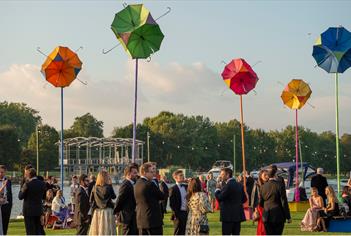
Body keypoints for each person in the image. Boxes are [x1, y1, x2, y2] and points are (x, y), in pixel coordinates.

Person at [259, 166, 291, 235]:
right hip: (278, 215)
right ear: (275, 174)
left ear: (268, 175)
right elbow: (284, 202)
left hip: (267, 215)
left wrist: (266, 206)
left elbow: (260, 202)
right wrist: (288, 216)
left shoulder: (262, 187)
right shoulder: (280, 185)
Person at [134, 162, 165, 235]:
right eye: (151, 172)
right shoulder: (150, 184)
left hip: (141, 220)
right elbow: (162, 196)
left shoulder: (137, 184)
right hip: (153, 221)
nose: (153, 174)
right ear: (144, 173)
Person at [215, 167, 247, 235]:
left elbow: (220, 197)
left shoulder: (228, 185)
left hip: (228, 216)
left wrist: (217, 190)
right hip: (237, 215)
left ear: (228, 175)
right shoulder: (239, 185)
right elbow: (244, 199)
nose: (221, 176)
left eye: (222, 174)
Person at [18, 168, 46, 235]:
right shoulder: (42, 184)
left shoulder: (27, 184)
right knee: (38, 230)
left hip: (28, 211)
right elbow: (44, 197)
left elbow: (20, 197)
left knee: (30, 231)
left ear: (29, 175)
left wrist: (22, 188)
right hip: (38, 210)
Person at [88, 170, 117, 235]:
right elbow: (114, 197)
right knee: (108, 231)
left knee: (98, 231)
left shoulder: (94, 187)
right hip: (108, 211)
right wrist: (111, 185)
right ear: (106, 178)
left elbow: (91, 200)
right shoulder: (108, 187)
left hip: (97, 211)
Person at [114, 164, 139, 235]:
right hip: (127, 216)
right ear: (128, 174)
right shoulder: (125, 184)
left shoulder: (133, 183)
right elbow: (120, 199)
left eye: (136, 172)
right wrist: (116, 211)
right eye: (134, 173)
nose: (136, 174)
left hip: (133, 215)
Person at [170, 169, 188, 235]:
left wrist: (189, 180)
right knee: (178, 232)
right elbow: (172, 204)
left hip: (186, 212)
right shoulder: (173, 189)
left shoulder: (186, 186)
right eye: (180, 175)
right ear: (175, 178)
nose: (183, 177)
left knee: (185, 231)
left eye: (183, 175)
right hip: (178, 214)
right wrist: (176, 215)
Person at [251, 169, 269, 236]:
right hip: (260, 207)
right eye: (265, 175)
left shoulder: (269, 184)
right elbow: (254, 197)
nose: (267, 176)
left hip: (268, 206)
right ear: (260, 176)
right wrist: (254, 209)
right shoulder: (257, 184)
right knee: (262, 223)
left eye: (267, 175)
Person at [0, 165, 12, 235]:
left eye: (2, 172)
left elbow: (10, 194)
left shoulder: (9, 181)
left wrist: (10, 206)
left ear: (5, 172)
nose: (0, 174)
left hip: (6, 206)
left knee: (5, 224)